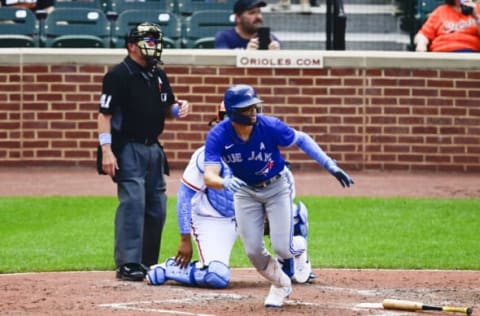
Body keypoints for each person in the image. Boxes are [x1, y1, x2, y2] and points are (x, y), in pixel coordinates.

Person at [202, 84, 354, 307]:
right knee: (253, 251)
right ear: (233, 112)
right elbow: (209, 176)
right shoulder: (218, 135)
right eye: (247, 109)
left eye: (254, 106)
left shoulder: (269, 125)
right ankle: (281, 283)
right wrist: (225, 182)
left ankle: (299, 246)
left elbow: (301, 139)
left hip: (276, 187)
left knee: (283, 248)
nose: (253, 112)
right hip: (245, 191)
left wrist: (330, 165)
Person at [146, 103, 313, 289]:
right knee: (216, 277)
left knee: (293, 216)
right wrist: (184, 239)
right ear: (219, 118)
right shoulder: (205, 155)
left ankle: (290, 263)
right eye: (230, 115)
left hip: (248, 213)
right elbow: (185, 196)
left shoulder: (268, 153)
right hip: (214, 218)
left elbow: (280, 198)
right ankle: (172, 269)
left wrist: (271, 219)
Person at [97, 22, 189, 282]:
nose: (154, 45)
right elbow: (104, 115)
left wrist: (178, 108)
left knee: (156, 207)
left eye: (155, 40)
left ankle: (148, 261)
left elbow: (166, 107)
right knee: (133, 204)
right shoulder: (118, 75)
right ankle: (128, 263)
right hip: (127, 147)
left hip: (154, 148)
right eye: (147, 41)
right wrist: (107, 151)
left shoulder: (158, 74)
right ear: (131, 46)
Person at [414, 0, 480, 52]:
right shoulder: (440, 11)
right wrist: (421, 45)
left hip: (469, 52)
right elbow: (423, 34)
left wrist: (476, 16)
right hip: (442, 52)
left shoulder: (477, 10)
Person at [215, 0, 281, 50]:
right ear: (238, 18)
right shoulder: (225, 37)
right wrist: (246, 55)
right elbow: (223, 64)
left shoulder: (270, 38)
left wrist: (277, 56)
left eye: (259, 12)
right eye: (252, 13)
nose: (258, 17)